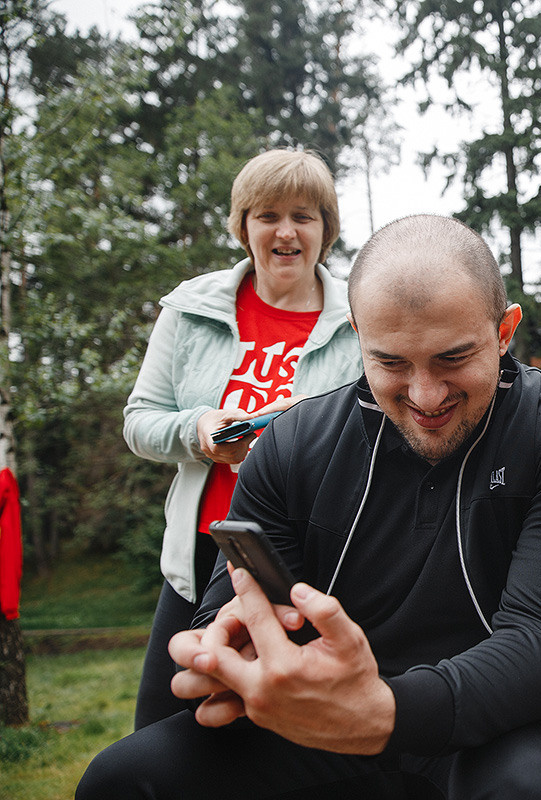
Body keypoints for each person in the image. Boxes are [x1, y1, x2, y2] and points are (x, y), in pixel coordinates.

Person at [78, 214, 541, 800]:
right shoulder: (290, 443)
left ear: (505, 330)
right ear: (356, 331)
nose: (426, 395)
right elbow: (226, 606)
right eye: (390, 363)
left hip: (511, 717)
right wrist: (223, 649)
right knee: (121, 781)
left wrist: (384, 709)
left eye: (452, 358)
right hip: (318, 711)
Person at [123, 148, 362, 729]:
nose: (286, 232)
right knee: (161, 723)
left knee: (275, 732)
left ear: (325, 229)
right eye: (267, 215)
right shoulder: (190, 308)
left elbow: (374, 428)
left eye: (304, 216)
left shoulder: (360, 313)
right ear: (243, 226)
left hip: (304, 558)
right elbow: (139, 421)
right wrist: (199, 429)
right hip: (203, 548)